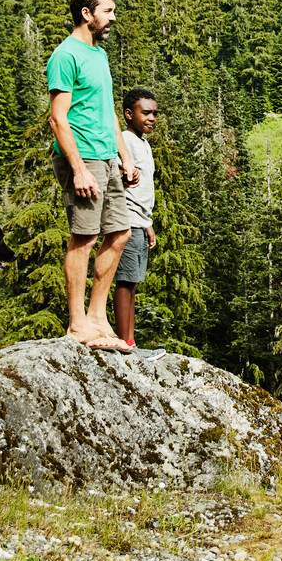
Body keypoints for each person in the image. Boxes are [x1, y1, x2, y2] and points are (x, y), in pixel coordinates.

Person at [46, 0, 139, 352]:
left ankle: (98, 317)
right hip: (81, 157)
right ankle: (76, 323)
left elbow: (109, 111)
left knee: (120, 234)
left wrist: (125, 156)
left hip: (106, 157)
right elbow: (58, 119)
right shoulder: (65, 56)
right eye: (108, 11)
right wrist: (78, 169)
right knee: (83, 238)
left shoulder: (98, 55)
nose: (113, 18)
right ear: (87, 14)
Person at [115, 88, 164, 359]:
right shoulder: (125, 140)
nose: (152, 118)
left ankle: (130, 343)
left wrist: (147, 223)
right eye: (145, 112)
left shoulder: (142, 142)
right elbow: (118, 178)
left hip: (139, 221)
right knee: (125, 281)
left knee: (133, 283)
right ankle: (124, 345)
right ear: (128, 114)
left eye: (155, 113)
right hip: (126, 221)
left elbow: (141, 189)